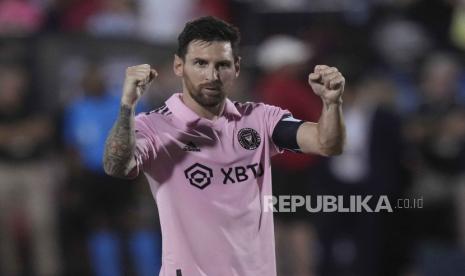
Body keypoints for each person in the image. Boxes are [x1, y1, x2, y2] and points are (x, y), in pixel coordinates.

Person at [103, 16, 346, 276]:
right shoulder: (154, 126)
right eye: (200, 63)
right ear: (178, 65)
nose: (212, 75)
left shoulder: (260, 118)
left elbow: (326, 143)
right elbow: (117, 164)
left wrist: (332, 104)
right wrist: (127, 105)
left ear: (236, 67)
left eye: (222, 65)